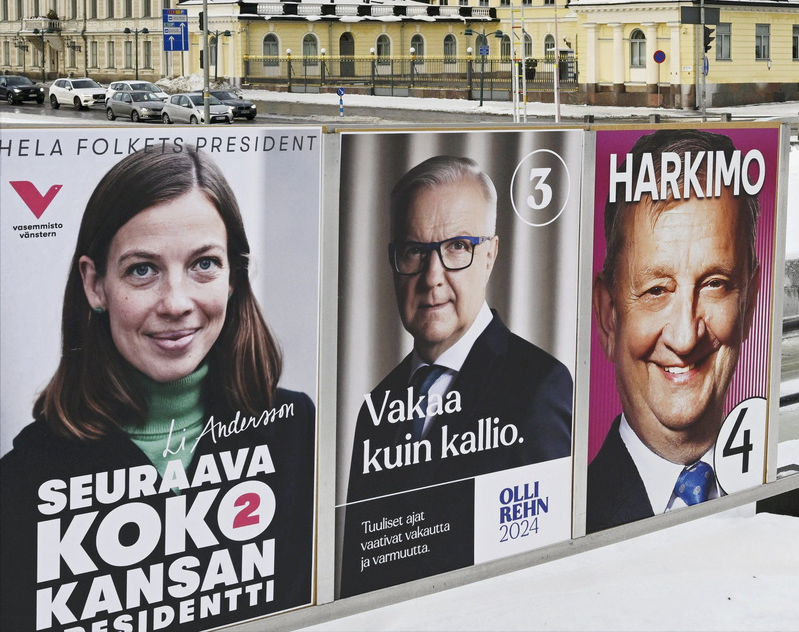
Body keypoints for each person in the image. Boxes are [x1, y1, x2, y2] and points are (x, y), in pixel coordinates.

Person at [0, 147, 315, 629]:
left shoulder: (298, 434)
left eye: (204, 263)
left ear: (234, 276)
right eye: (142, 269)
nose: (176, 303)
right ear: (95, 284)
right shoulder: (24, 483)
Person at [341, 155, 572, 593]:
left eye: (457, 247)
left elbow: (547, 572)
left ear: (490, 256)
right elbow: (358, 578)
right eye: (414, 251)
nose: (432, 277)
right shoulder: (376, 408)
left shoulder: (540, 387)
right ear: (393, 260)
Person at [588, 130, 760, 533]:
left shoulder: (772, 495)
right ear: (609, 316)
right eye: (656, 290)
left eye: (714, 283)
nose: (685, 338)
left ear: (749, 303)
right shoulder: (571, 519)